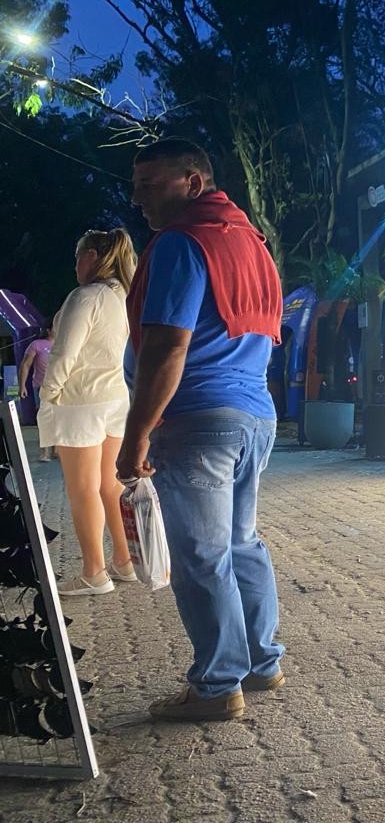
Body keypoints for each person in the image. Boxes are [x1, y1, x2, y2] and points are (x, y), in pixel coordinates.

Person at [118, 138, 284, 723]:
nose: (137, 199)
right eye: (135, 185)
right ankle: (262, 662)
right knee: (241, 543)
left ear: (192, 181)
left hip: (197, 422)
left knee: (202, 556)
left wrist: (137, 434)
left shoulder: (181, 243)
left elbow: (167, 344)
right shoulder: (250, 242)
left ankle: (217, 686)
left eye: (150, 184)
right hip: (254, 415)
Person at [37, 231, 137, 595]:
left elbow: (65, 353)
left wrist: (48, 395)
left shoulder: (85, 296)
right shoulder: (123, 296)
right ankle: (125, 562)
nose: (75, 265)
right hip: (116, 399)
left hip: (80, 402)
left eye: (78, 257)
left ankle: (94, 572)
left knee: (83, 490)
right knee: (110, 486)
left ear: (92, 256)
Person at [18, 327, 56, 461]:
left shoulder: (64, 342)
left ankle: (57, 450)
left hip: (62, 386)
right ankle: (45, 452)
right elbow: (26, 364)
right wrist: (22, 385)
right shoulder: (37, 344)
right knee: (44, 418)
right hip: (42, 386)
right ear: (48, 330)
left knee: (60, 418)